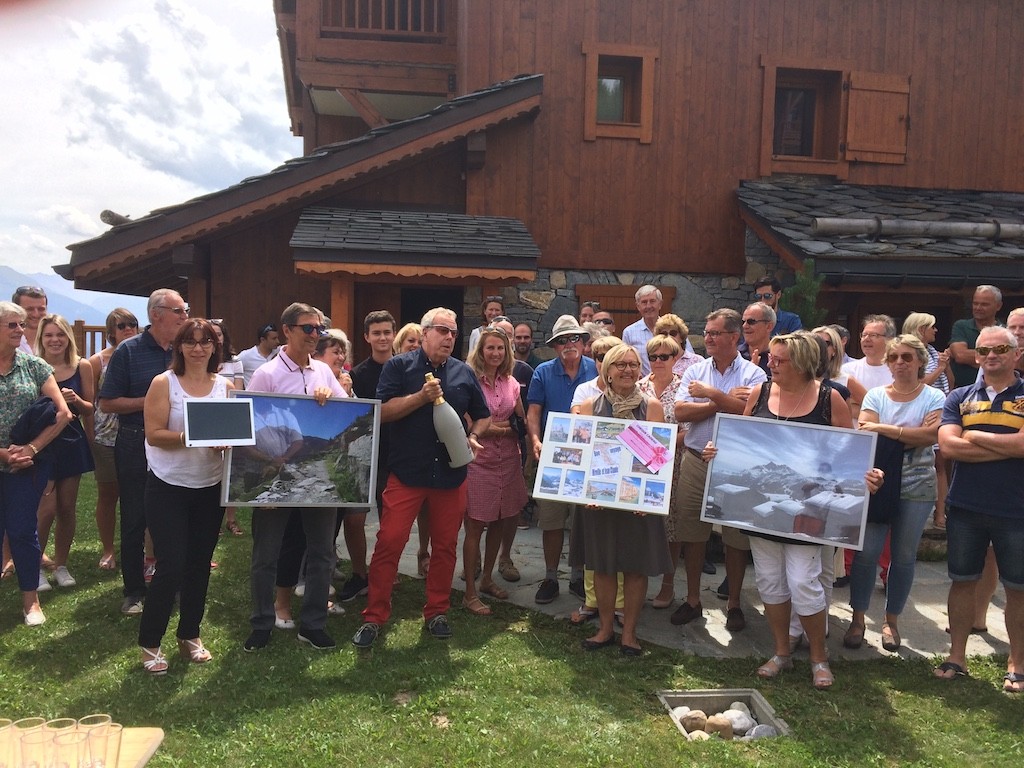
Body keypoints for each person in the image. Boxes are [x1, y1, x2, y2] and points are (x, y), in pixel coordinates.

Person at [352, 308, 490, 648]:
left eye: (453, 333)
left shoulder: (463, 372)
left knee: (444, 547)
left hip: (450, 475)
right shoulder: (399, 367)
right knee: (389, 542)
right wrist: (420, 397)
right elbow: (381, 413)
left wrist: (474, 435)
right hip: (407, 473)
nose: (449, 337)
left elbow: (483, 414)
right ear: (425, 332)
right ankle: (374, 616)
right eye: (442, 330)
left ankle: (437, 612)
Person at [738, 332, 852, 689]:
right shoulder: (759, 393)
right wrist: (717, 452)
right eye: (770, 358)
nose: (770, 364)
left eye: (779, 359)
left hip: (810, 511)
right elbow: (742, 440)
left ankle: (819, 657)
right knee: (770, 582)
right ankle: (781, 652)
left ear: (802, 363)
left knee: (803, 581)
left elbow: (851, 452)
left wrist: (866, 476)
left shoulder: (830, 399)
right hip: (767, 512)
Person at [243, 302, 349, 653]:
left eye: (319, 329)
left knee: (320, 553)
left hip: (313, 475)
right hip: (276, 477)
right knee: (266, 553)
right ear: (287, 331)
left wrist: (332, 398)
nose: (315, 335)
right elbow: (251, 423)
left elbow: (346, 412)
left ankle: (313, 625)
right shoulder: (267, 375)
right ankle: (261, 623)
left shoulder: (323, 372)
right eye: (308, 328)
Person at [137, 319, 234, 674]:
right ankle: (150, 642)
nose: (198, 348)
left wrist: (226, 442)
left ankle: (189, 634)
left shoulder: (226, 386)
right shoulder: (164, 383)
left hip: (209, 486)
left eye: (205, 341)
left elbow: (232, 433)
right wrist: (193, 436)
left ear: (215, 347)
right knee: (171, 565)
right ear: (178, 346)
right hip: (168, 486)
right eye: (190, 342)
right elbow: (153, 434)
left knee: (199, 565)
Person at [936, 326, 1024, 692]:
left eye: (1000, 349)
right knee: (962, 582)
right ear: (975, 356)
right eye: (984, 350)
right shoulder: (959, 397)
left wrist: (973, 435)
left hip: (1016, 509)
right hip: (966, 506)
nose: (991, 355)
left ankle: (1017, 663)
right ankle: (957, 656)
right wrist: (1007, 445)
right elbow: (949, 448)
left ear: (1016, 354)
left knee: (1018, 588)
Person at [844, 334, 944, 653]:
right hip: (879, 482)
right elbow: (866, 431)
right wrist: (910, 434)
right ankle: (858, 619)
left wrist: (887, 429)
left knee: (902, 557)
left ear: (920, 361)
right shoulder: (876, 395)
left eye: (907, 357)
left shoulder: (934, 396)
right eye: (894, 357)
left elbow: (931, 436)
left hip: (918, 486)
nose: (899, 363)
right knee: (866, 554)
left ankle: (891, 621)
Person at [571, 343, 670, 656]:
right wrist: (588, 492)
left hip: (637, 505)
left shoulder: (652, 408)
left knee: (635, 568)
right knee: (602, 566)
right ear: (607, 371)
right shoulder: (589, 406)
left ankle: (629, 633)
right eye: (620, 364)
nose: (628, 370)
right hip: (598, 502)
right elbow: (583, 457)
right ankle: (604, 630)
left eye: (633, 364)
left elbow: (657, 461)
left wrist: (645, 499)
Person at [671, 308, 766, 632]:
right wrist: (722, 401)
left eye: (715, 333)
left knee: (735, 538)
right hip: (695, 459)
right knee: (692, 534)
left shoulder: (754, 374)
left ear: (734, 337)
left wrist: (710, 394)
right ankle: (693, 599)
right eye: (707, 332)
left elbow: (752, 414)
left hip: (736, 467)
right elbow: (680, 412)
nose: (708, 338)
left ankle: (734, 603)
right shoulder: (695, 370)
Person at [99, 288, 188, 615]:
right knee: (135, 517)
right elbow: (108, 402)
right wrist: (152, 402)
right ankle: (134, 590)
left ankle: (171, 584)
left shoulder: (184, 350)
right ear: (156, 314)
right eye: (179, 311)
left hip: (175, 443)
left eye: (185, 310)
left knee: (173, 517)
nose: (185, 316)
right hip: (135, 442)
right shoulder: (129, 351)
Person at [0, 301, 73, 625]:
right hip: (8, 459)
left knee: (22, 530)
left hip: (27, 468)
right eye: (12, 325)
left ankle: (31, 602)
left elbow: (63, 413)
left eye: (21, 324)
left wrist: (31, 449)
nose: (20, 330)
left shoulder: (34, 366)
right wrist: (4, 454)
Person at [526, 315, 598, 604]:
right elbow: (533, 412)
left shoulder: (596, 368)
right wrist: (535, 440)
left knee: (583, 520)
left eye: (574, 338)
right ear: (555, 346)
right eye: (562, 340)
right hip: (553, 456)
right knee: (551, 519)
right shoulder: (542, 372)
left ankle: (578, 577)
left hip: (589, 457)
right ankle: (551, 577)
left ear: (583, 342)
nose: (569, 344)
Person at [462, 326, 528, 615]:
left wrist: (492, 426)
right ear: (480, 350)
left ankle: (487, 579)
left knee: (501, 520)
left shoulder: (511, 383)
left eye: (500, 348)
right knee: (475, 524)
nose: (496, 353)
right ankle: (469, 591)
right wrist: (501, 428)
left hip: (508, 461)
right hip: (479, 461)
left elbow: (520, 423)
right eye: (490, 347)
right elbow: (471, 425)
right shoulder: (469, 382)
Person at [33, 314, 95, 591]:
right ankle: (35, 566)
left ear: (68, 338)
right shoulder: (34, 365)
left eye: (60, 334)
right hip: (42, 444)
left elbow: (90, 408)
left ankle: (61, 565)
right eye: (49, 335)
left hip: (71, 441)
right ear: (41, 339)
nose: (55, 340)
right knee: (45, 510)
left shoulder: (82, 366)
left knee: (67, 508)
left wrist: (76, 399)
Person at [342, 310, 396, 602]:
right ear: (367, 337)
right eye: (377, 333)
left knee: (391, 523)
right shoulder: (357, 375)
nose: (382, 338)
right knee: (354, 520)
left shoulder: (405, 369)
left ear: (394, 334)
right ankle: (359, 573)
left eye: (387, 332)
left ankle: (387, 572)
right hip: (362, 456)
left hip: (395, 456)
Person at [87, 308, 139, 571]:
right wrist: (90, 436)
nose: (128, 329)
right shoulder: (97, 362)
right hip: (106, 436)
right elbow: (91, 402)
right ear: (111, 332)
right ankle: (108, 549)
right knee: (108, 494)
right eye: (122, 326)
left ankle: (142, 548)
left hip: (138, 434)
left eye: (132, 324)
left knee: (139, 495)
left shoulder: (143, 356)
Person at [639, 333, 686, 610]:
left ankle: (668, 584)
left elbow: (689, 430)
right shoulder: (639, 386)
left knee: (672, 527)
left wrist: (662, 448)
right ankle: (638, 581)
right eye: (653, 356)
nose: (658, 361)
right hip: (642, 464)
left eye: (664, 356)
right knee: (643, 523)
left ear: (675, 358)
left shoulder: (684, 388)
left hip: (674, 464)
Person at [903, 312, 951, 529]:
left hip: (938, 411)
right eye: (932, 326)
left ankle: (940, 513)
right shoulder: (909, 353)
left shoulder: (933, 352)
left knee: (940, 463)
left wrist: (945, 366)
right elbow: (919, 383)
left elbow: (950, 383)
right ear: (921, 329)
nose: (936, 330)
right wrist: (939, 368)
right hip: (918, 413)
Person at [948, 285, 1002, 389]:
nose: (978, 308)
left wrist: (972, 358)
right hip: (962, 391)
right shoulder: (961, 326)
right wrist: (996, 358)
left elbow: (1011, 360)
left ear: (998, 306)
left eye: (984, 304)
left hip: (996, 390)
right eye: (975, 303)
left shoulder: (1005, 331)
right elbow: (960, 355)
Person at [621, 285, 664, 376]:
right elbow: (624, 360)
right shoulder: (629, 332)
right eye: (644, 302)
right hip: (641, 383)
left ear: (660, 304)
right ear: (638, 306)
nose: (648, 306)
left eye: (652, 301)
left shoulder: (672, 329)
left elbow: (688, 357)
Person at [237, 323, 280, 387]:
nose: (278, 341)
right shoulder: (246, 356)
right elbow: (233, 368)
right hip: (253, 392)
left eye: (277, 338)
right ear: (262, 340)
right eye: (274, 339)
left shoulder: (281, 352)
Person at [740, 302, 776, 374]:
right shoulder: (735, 356)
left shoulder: (779, 358)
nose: (745, 326)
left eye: (751, 322)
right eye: (743, 322)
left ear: (769, 326)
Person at [11, 286, 47, 355]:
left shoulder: (55, 341)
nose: (36, 314)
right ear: (16, 310)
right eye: (30, 309)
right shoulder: (6, 340)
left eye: (41, 309)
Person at [210, 319, 244, 389]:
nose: (216, 338)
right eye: (212, 335)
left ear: (224, 337)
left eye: (219, 335)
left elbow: (237, 391)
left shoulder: (235, 361)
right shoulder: (202, 360)